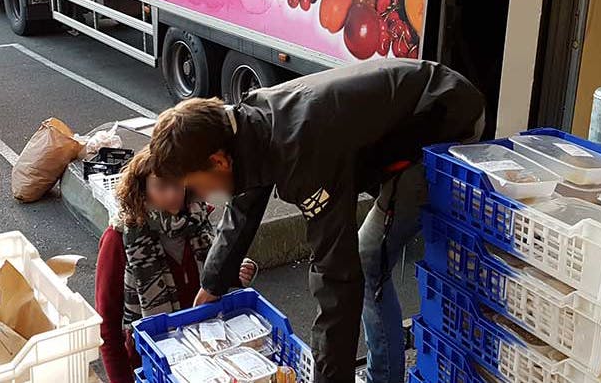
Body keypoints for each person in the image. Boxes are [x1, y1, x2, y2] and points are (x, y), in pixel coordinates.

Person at [146, 59, 485, 383]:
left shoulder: (302, 153)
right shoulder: (247, 126)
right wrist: (213, 284)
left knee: (367, 259)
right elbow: (245, 201)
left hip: (444, 116)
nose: (200, 194)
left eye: (195, 184)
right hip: (411, 105)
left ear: (218, 161)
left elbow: (336, 276)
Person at [95, 149, 257, 383]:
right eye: (161, 186)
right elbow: (107, 328)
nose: (172, 194)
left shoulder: (198, 220)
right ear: (141, 189)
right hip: (150, 364)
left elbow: (206, 279)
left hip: (207, 355)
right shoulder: (118, 239)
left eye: (177, 184)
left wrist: (233, 274)